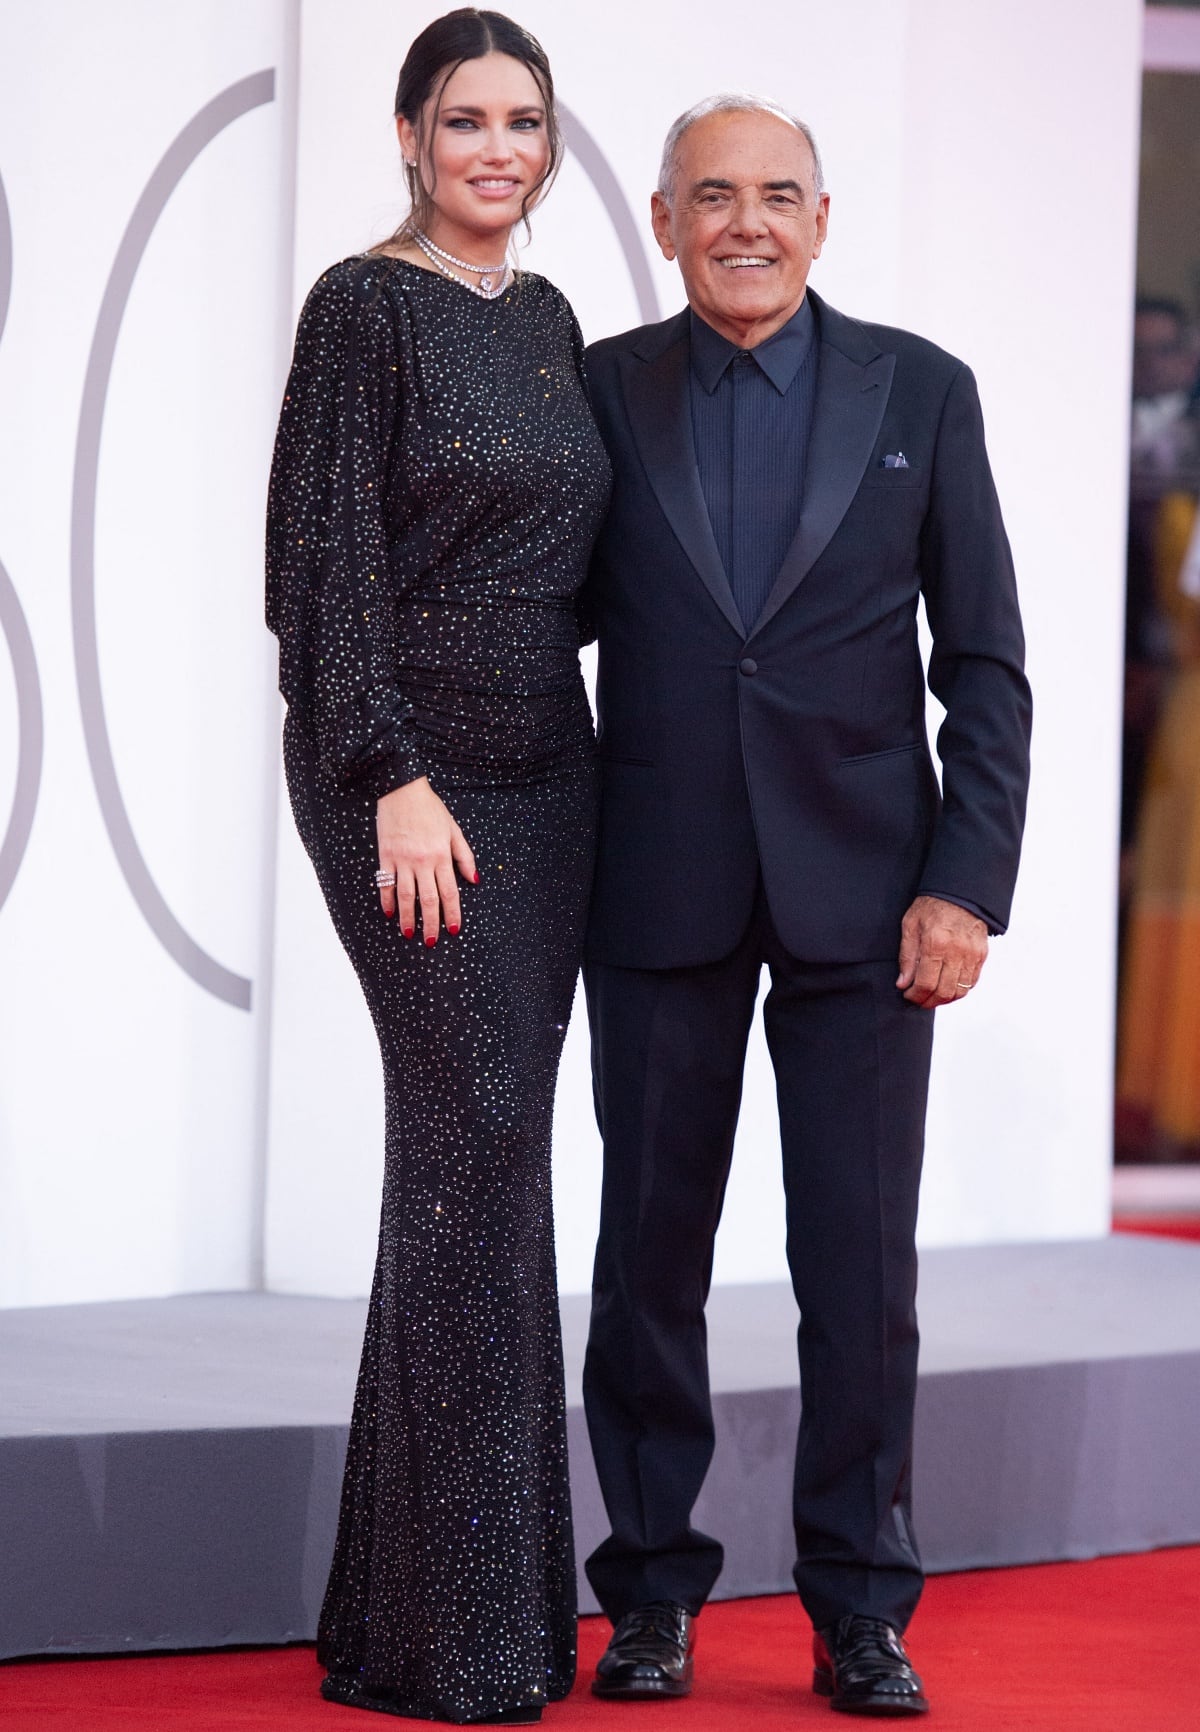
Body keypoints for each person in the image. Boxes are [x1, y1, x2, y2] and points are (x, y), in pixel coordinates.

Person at [578, 95, 1031, 1717]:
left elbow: (983, 663)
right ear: (661, 217)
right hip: (655, 884)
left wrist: (965, 883)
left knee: (861, 1274)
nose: (746, 223)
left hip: (871, 902)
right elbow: (527, 626)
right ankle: (648, 1593)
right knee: (647, 1266)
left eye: (777, 196)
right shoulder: (601, 391)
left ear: (823, 220)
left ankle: (858, 1607)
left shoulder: (923, 388)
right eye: (714, 196)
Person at [265, 10, 611, 1724]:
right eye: (464, 118)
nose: (495, 148)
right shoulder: (362, 305)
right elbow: (315, 570)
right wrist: (387, 769)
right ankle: (454, 1633)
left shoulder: (550, 321)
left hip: (555, 782)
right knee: (471, 1134)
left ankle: (427, 1616)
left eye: (523, 121)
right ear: (409, 135)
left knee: (485, 1164)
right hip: (406, 777)